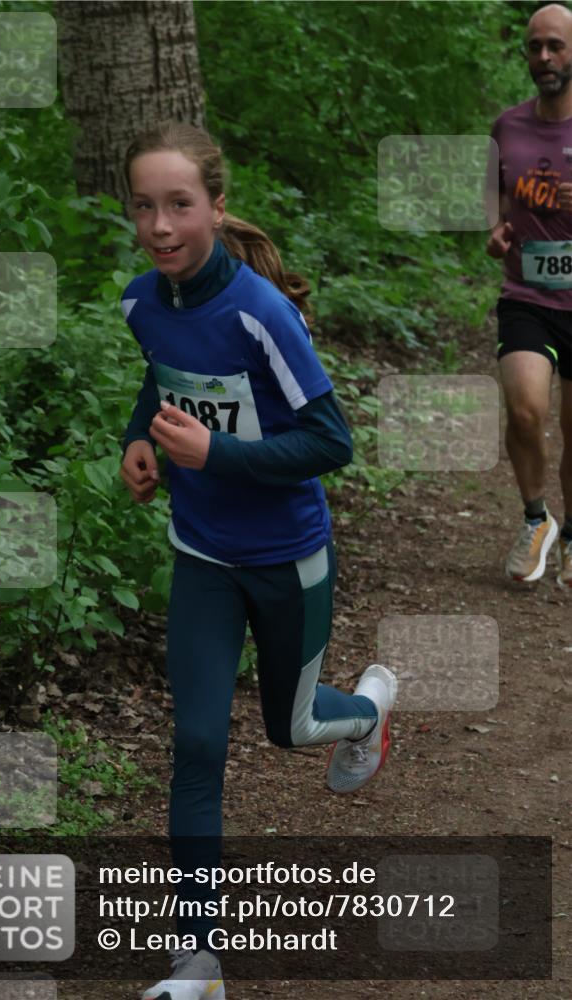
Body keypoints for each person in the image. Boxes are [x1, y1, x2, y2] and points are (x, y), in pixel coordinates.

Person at [118, 120, 398, 1000]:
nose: (161, 227)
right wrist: (139, 440)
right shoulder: (138, 302)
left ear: (214, 206)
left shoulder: (259, 312)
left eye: (179, 206)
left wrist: (218, 457)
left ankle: (365, 712)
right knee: (196, 745)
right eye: (144, 207)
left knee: (290, 728)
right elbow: (162, 376)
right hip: (202, 554)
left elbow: (330, 441)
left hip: (286, 559)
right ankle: (197, 957)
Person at [486, 2, 572, 587]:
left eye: (556, 46)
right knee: (526, 409)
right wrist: (494, 227)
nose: (543, 57)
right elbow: (494, 191)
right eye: (534, 46)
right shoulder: (508, 126)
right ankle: (536, 518)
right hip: (527, 296)